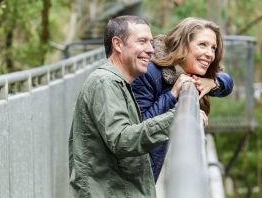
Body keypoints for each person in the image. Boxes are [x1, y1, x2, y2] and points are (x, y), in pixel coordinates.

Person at [68, 15, 175, 198]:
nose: (150, 50)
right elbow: (122, 140)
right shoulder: (104, 83)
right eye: (142, 41)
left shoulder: (118, 82)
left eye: (150, 42)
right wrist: (176, 117)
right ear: (118, 44)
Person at [132, 17, 233, 181]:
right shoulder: (149, 72)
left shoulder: (193, 71)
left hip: (152, 173)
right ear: (182, 44)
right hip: (131, 175)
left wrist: (213, 82)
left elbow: (228, 83)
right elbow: (139, 129)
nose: (210, 54)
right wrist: (173, 94)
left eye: (213, 48)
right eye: (202, 45)